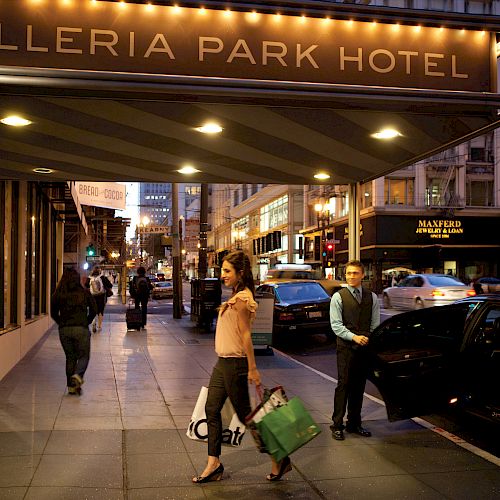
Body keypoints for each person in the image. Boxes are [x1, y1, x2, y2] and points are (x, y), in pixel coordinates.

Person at [192, 250, 291, 484]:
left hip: (235, 363)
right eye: (222, 270)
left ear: (240, 273)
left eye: (227, 271)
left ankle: (279, 457)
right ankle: (213, 463)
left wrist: (252, 368)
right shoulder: (235, 296)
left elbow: (247, 335)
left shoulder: (243, 299)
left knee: (247, 416)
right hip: (222, 363)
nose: (223, 275)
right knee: (211, 408)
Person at [329, 260, 380, 441]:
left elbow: (375, 324)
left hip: (363, 349)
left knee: (359, 387)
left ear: (362, 275)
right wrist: (354, 337)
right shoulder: (338, 297)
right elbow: (336, 326)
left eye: (355, 273)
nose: (351, 276)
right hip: (345, 348)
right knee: (343, 385)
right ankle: (337, 424)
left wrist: (368, 338)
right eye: (349, 273)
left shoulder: (371, 297)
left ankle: (354, 423)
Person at [51, 267, 97, 395]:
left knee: (70, 357)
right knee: (83, 356)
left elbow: (53, 313)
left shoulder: (58, 294)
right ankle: (77, 375)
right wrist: (86, 321)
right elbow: (94, 309)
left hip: (64, 330)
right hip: (81, 328)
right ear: (77, 280)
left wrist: (61, 323)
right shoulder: (84, 293)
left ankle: (71, 388)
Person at [85, 266, 113, 333]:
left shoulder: (89, 278)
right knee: (100, 311)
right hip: (101, 297)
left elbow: (86, 285)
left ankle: (93, 322)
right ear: (99, 271)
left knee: (92, 310)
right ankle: (99, 326)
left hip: (92, 297)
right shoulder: (102, 277)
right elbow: (110, 285)